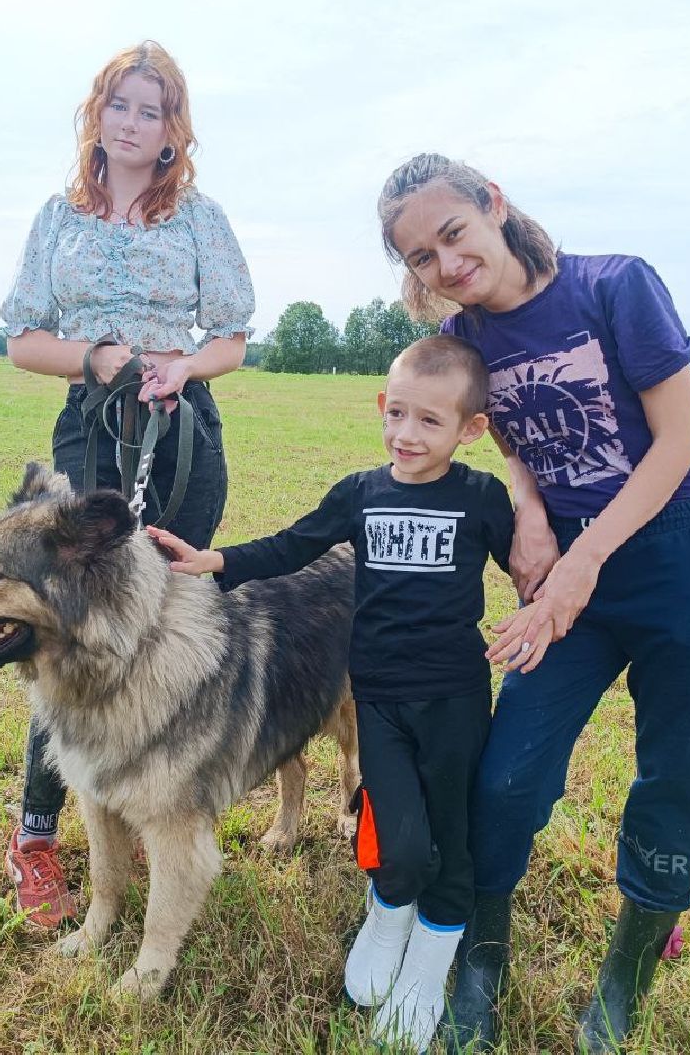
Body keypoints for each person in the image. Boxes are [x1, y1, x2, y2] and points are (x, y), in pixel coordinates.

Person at [378, 153, 690, 1053]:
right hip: (571, 564)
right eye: (422, 257)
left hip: (688, 550)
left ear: (494, 205)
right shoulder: (468, 338)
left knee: (679, 769)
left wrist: (584, 555)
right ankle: (483, 953)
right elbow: (509, 432)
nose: (446, 263)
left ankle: (625, 976)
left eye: (453, 234)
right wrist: (534, 510)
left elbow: (680, 442)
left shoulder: (617, 286)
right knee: (507, 769)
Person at [149, 336, 515, 1054]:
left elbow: (530, 563)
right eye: (398, 414)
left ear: (471, 430)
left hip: (456, 701)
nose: (407, 435)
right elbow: (295, 545)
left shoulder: (481, 498)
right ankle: (387, 918)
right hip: (379, 702)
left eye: (430, 423)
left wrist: (548, 602)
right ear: (382, 406)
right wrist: (214, 560)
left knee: (453, 840)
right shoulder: (361, 493)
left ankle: (426, 969)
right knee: (399, 840)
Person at [0, 40, 254, 929]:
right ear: (96, 115)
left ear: (173, 127)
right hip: (88, 434)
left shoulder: (199, 218)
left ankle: (163, 799)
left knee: (164, 628)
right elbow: (22, 338)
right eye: (122, 105)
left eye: (155, 109)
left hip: (182, 434)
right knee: (61, 634)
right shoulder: (58, 219)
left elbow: (233, 339)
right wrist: (97, 355)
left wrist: (182, 367)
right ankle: (37, 836)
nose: (137, 123)